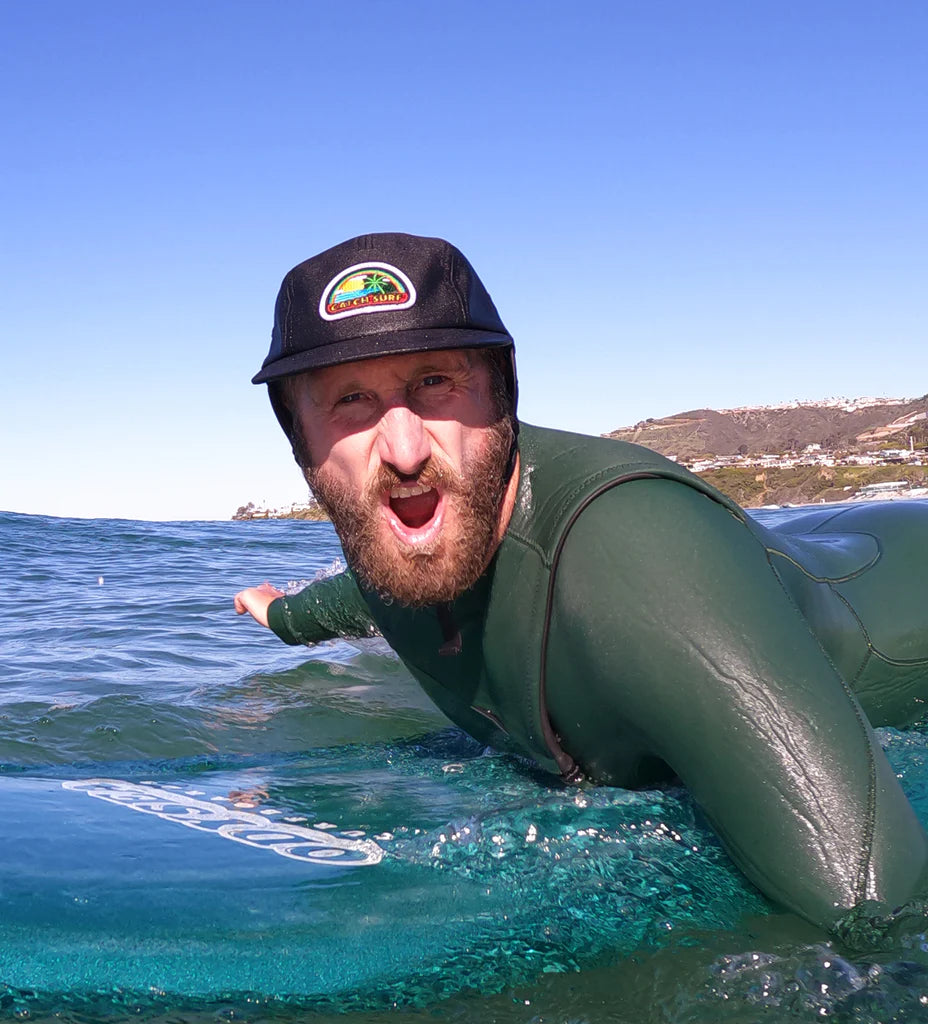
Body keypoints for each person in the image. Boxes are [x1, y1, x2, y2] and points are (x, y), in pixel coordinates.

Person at [235, 232, 928, 934]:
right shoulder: (402, 546)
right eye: (350, 400)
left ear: (500, 395)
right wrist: (280, 615)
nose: (406, 450)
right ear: (302, 443)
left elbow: (880, 914)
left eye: (436, 382)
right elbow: (356, 597)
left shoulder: (636, 557)